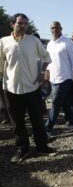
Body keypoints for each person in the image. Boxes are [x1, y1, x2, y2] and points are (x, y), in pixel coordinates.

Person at [0, 13, 56, 162]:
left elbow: (46, 57)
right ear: (12, 24)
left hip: (32, 87)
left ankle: (42, 147)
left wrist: (43, 72)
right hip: (11, 89)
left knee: (37, 119)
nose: (23, 26)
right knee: (17, 122)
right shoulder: (3, 42)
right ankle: (22, 149)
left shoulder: (33, 41)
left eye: (25, 23)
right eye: (20, 23)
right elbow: (0, 66)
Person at [45, 21, 73, 137]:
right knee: (63, 102)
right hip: (53, 78)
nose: (54, 30)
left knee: (55, 103)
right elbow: (49, 61)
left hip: (65, 77)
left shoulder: (68, 42)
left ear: (61, 28)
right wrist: (47, 73)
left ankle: (47, 129)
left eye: (56, 27)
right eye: (52, 28)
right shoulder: (50, 44)